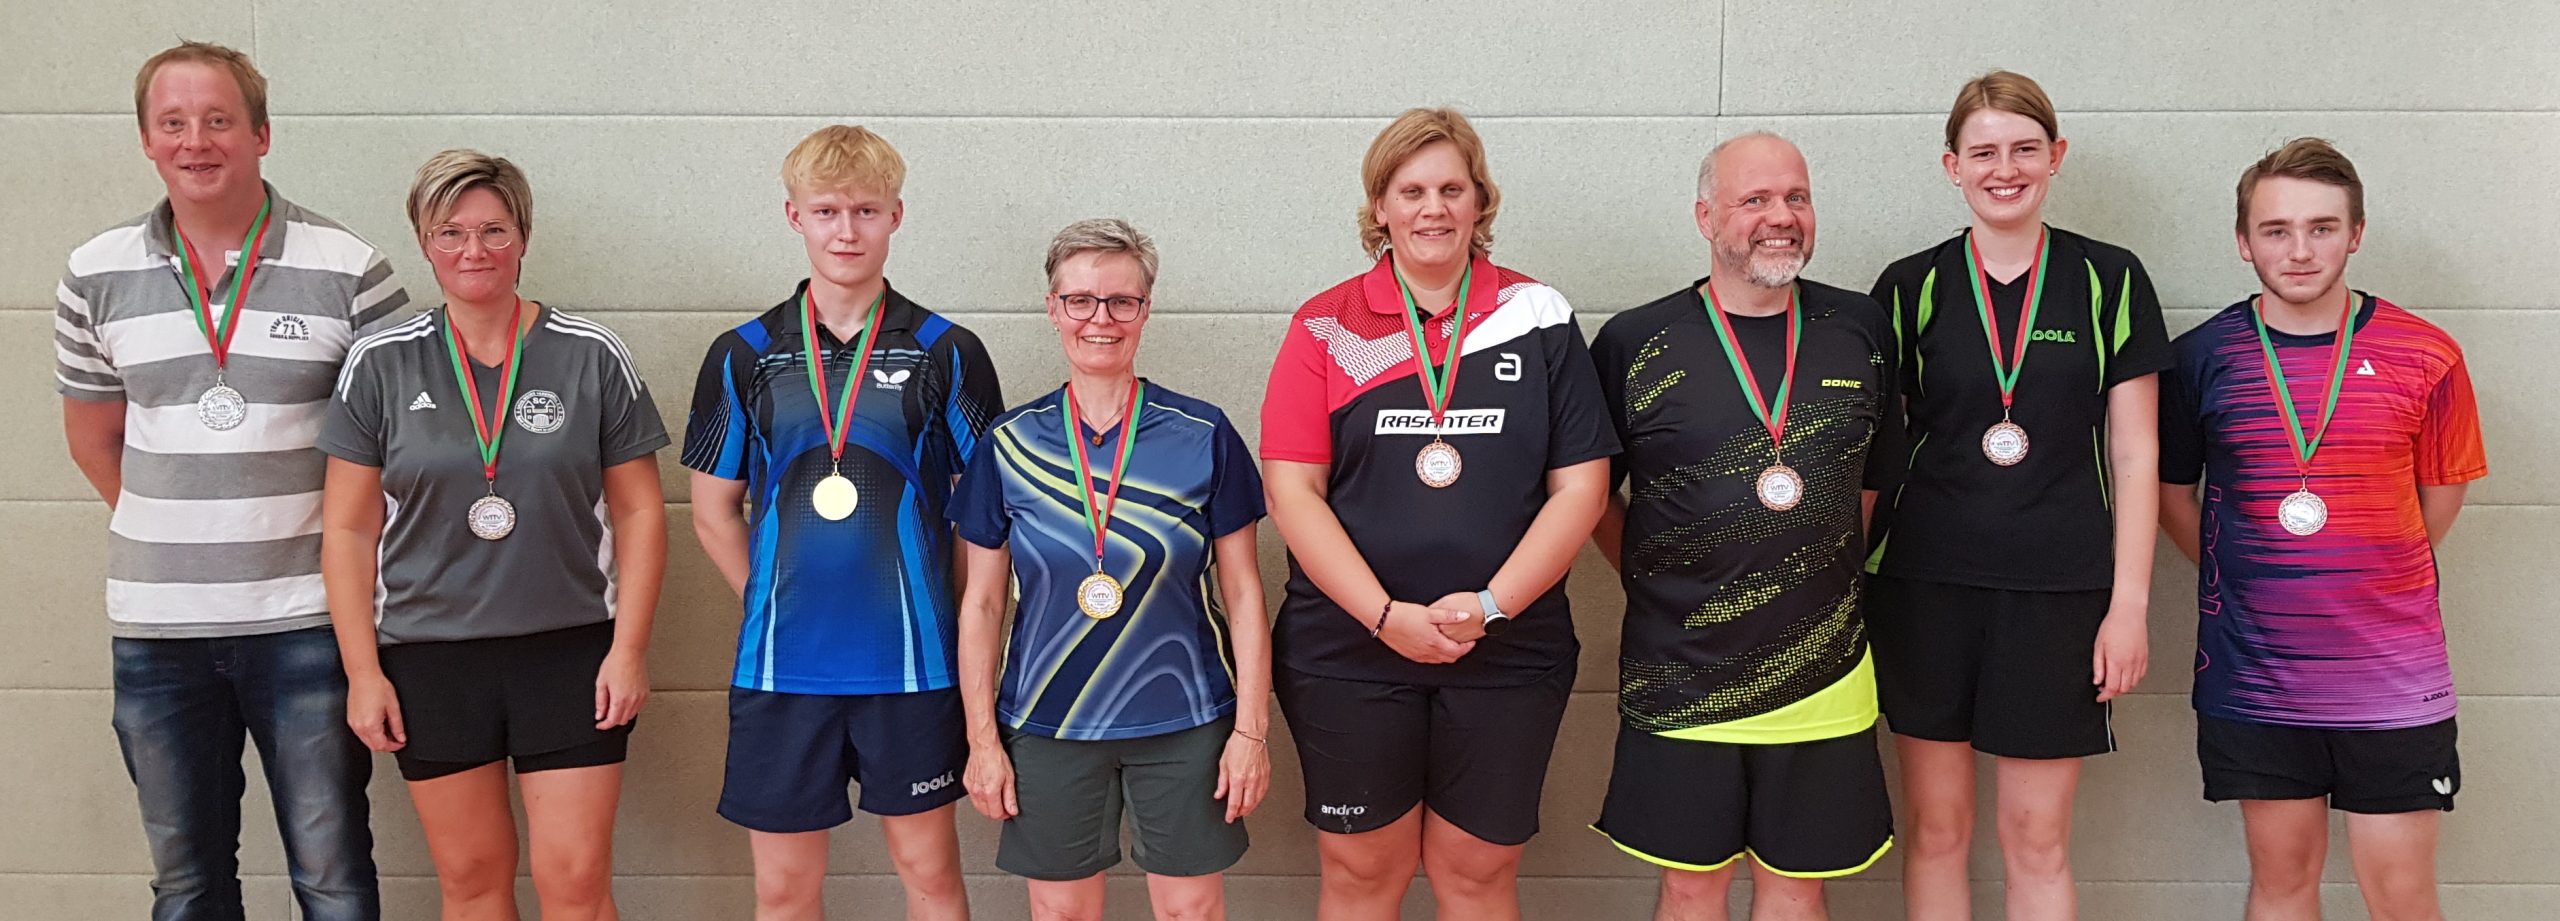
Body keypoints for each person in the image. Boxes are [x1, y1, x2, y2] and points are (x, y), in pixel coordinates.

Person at [54, 40, 404, 921]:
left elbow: (395, 451)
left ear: (261, 134)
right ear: (146, 140)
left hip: (307, 621)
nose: (196, 141)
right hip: (159, 628)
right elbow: (94, 439)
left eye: (218, 119)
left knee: (332, 877)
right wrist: (184, 527)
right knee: (187, 884)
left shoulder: (349, 268)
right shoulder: (94, 273)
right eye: (173, 122)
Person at [1258, 106, 1617, 921]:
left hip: (1507, 643)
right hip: (1349, 645)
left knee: (1478, 872)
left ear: (1480, 200)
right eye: (1411, 190)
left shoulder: (1538, 314)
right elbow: (1292, 492)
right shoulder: (1326, 323)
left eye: (1452, 189)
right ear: (1379, 206)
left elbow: (1582, 491)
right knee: (1361, 871)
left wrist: (1491, 605)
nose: (1433, 208)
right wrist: (1384, 616)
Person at [320, 149, 667, 921]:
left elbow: (642, 511)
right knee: (473, 883)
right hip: (429, 657)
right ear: (424, 241)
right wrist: (363, 672)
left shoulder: (591, 354)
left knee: (576, 882)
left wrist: (630, 647)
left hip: (571, 650)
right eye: (450, 232)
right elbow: (346, 528)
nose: (472, 250)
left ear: (523, 237)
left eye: (493, 230)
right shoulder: (380, 363)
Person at [1861, 70, 2170, 921]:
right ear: (1952, 166)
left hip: (2060, 594)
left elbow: (2136, 452)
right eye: (1984, 152)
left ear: (2056, 156)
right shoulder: (1910, 285)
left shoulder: (2109, 279)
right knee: (1937, 828)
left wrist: (2129, 605)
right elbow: (1877, 451)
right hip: (1925, 588)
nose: (2006, 169)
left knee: (2036, 836)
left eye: (2025, 149)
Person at [681, 124, 1001, 921]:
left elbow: (982, 517)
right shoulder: (743, 353)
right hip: (782, 667)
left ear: (897, 215)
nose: (846, 231)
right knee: (785, 888)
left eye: (865, 210)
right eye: (827, 211)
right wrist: (771, 597)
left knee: (928, 874)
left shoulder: (948, 351)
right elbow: (712, 509)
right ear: (794, 216)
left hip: (912, 665)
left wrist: (952, 614)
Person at [2159, 137, 2483, 921]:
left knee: (2401, 894)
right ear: (2244, 241)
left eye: (2322, 227)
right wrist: (2249, 572)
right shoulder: (2200, 357)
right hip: (2255, 675)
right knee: (2281, 884)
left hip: (2393, 680)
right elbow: (2170, 495)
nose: (2299, 250)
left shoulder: (2428, 355)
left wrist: (2367, 568)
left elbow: (2439, 499)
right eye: (2276, 230)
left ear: (2356, 233)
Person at [1587, 132, 1900, 921]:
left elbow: (1870, 483)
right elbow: (1586, 496)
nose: (1780, 217)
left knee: (1796, 888)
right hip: (1680, 671)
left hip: (1824, 669)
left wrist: (1810, 571)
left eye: (1796, 197)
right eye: (1754, 199)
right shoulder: (1634, 341)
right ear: (1705, 217)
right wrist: (1664, 580)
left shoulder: (1860, 327)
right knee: (1691, 886)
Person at [952, 219, 1273, 921]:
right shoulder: (1008, 443)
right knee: (1061, 913)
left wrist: (1251, 732)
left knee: (1191, 911)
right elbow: (981, 604)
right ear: (1053, 308)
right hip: (1048, 720)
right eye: (1080, 300)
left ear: (1145, 310)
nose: (1100, 318)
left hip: (1185, 718)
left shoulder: (1204, 434)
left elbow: (1245, 593)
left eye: (1121, 301)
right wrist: (981, 740)